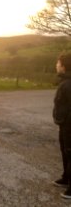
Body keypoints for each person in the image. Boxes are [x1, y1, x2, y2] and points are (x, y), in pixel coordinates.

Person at [54, 53, 71, 199]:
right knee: (65, 151)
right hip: (64, 124)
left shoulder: (68, 84)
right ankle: (66, 178)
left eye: (58, 64)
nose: (56, 66)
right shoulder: (65, 82)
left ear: (64, 67)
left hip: (69, 125)